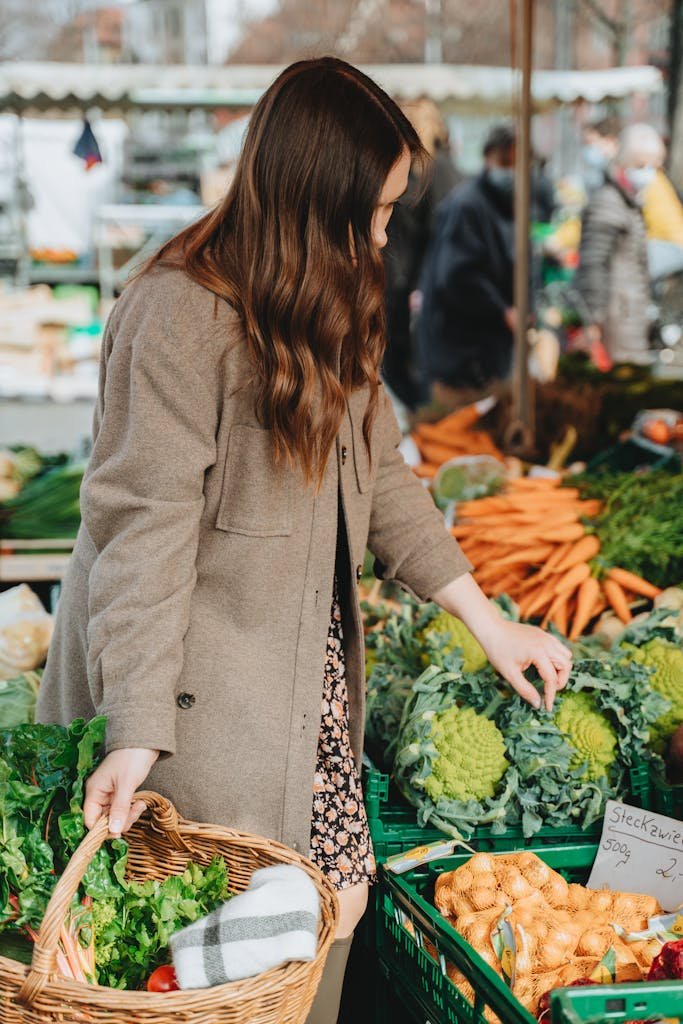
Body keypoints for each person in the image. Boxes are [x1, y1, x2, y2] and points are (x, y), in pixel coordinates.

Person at [36, 59, 571, 1024]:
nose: (382, 234)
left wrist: (489, 625)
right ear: (311, 203)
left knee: (334, 910)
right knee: (212, 958)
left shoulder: (333, 303)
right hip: (199, 697)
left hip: (305, 685)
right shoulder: (177, 313)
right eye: (370, 212)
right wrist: (136, 726)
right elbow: (140, 533)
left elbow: (387, 486)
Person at [418, 123, 517, 410]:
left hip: (488, 351)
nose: (512, 171)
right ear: (488, 157)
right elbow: (458, 276)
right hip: (461, 352)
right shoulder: (467, 206)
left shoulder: (506, 203)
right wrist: (503, 310)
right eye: (506, 163)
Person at [382, 98, 461, 410]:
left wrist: (421, 286)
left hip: (413, 285)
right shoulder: (427, 169)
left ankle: (424, 418)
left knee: (406, 363)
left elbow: (439, 233)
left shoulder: (433, 172)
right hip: (406, 282)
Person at [574, 123, 656, 366]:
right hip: (616, 315)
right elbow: (593, 263)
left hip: (628, 312)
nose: (649, 172)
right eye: (642, 165)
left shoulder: (629, 201)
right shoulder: (609, 202)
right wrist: (594, 318)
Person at [581, 116, 620, 195]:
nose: (590, 148)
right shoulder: (605, 168)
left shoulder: (619, 171)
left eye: (592, 143)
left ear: (610, 140)